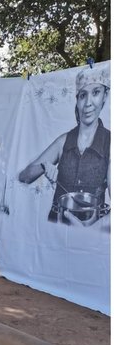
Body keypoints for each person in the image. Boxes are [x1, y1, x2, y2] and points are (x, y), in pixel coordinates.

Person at [18, 66, 110, 227]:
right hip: (56, 228)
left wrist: (95, 229)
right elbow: (24, 177)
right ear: (77, 100)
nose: (88, 103)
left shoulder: (110, 143)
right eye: (83, 95)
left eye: (96, 92)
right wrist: (43, 166)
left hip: (92, 234)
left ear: (105, 96)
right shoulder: (64, 141)